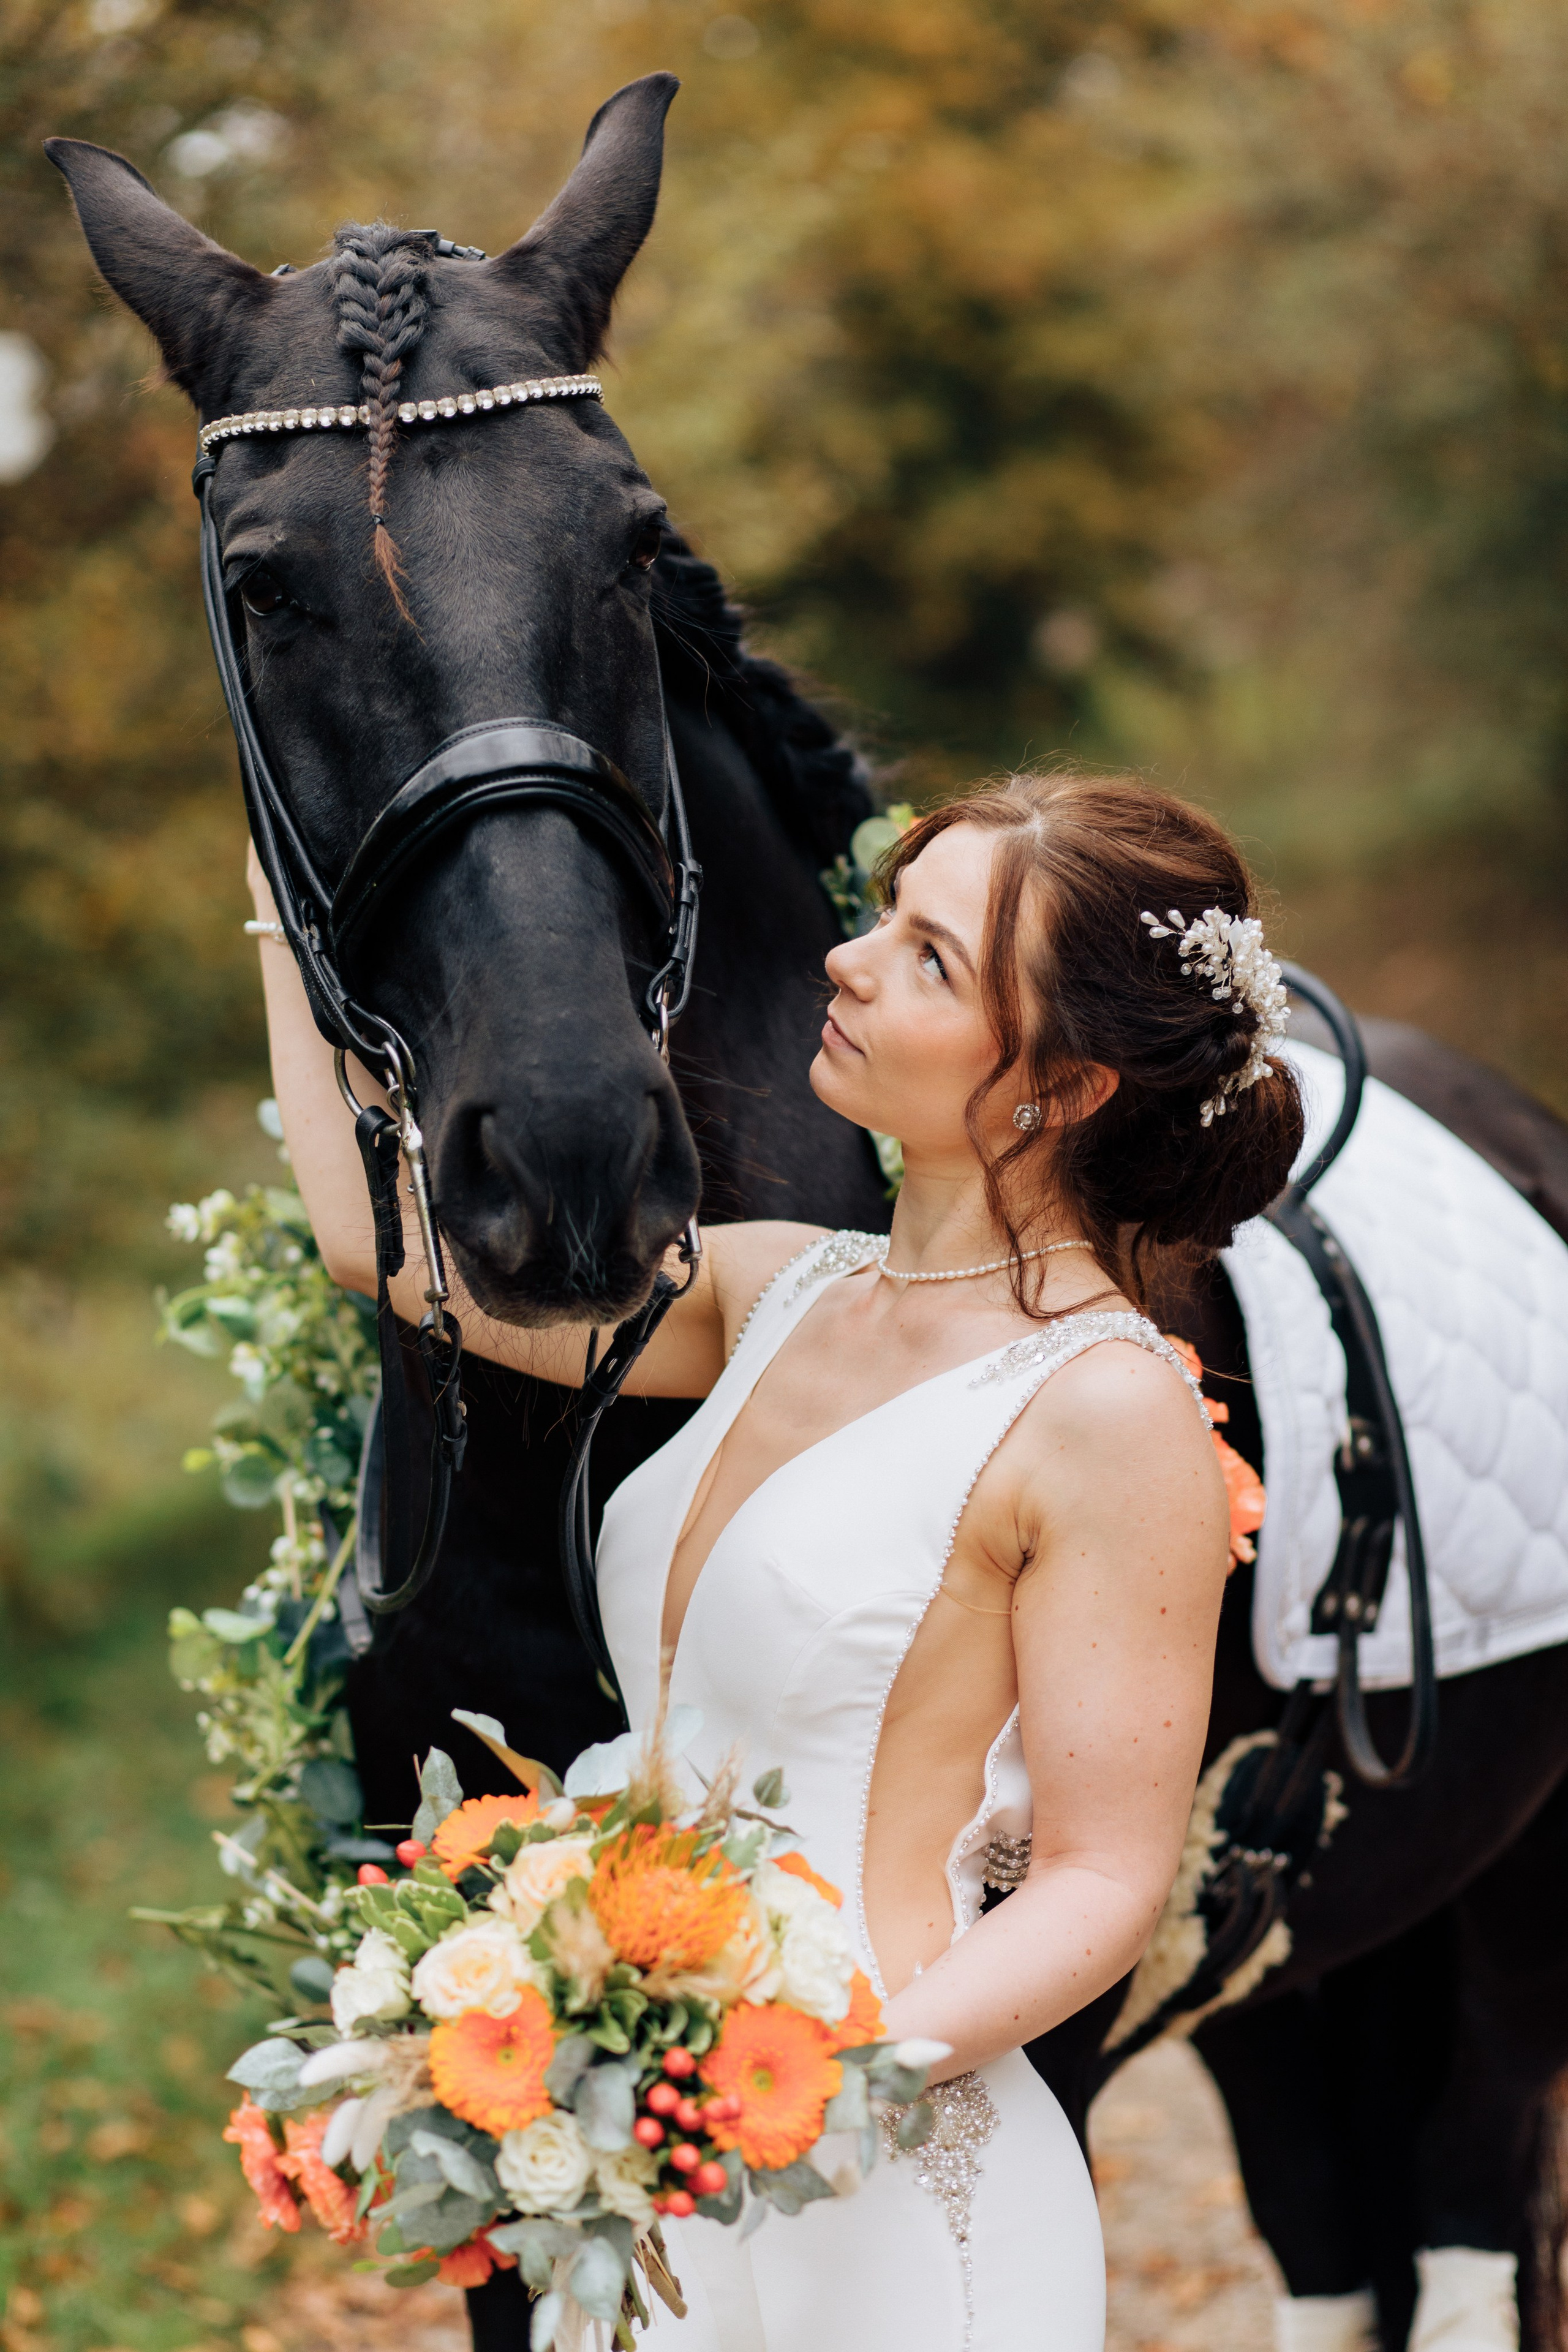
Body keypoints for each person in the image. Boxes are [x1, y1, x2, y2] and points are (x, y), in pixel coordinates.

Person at [253, 770, 1304, 2351]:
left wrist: (828, 2079)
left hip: (881, 2184)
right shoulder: (771, 1290)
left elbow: (1102, 1875)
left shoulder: (1110, 1410)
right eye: (885, 916)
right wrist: (279, 887)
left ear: (1066, 1086)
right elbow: (377, 1241)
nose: (847, 962)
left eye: (929, 959)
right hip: (657, 2171)